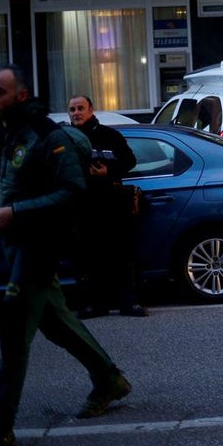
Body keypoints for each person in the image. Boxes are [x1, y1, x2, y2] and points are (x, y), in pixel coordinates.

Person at [0, 64, 132, 446]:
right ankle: (109, 379)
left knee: (13, 328)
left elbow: (72, 192)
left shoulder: (46, 137)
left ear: (21, 95)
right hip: (11, 244)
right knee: (53, 319)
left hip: (40, 243)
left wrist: (15, 211)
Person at [67, 94, 146, 318]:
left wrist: (108, 171)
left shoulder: (109, 136)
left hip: (112, 205)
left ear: (91, 109)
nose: (76, 113)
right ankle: (93, 305)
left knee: (122, 255)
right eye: (72, 109)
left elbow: (130, 161)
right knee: (87, 259)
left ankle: (128, 303)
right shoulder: (65, 139)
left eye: (80, 108)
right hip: (81, 208)